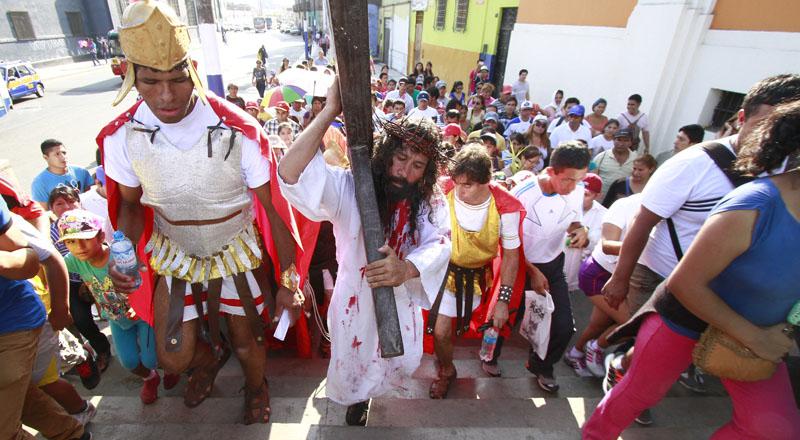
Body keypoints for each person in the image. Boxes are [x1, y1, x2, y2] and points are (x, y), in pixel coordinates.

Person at [100, 0, 310, 424]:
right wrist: (120, 250)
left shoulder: (239, 130)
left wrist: (289, 278)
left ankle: (256, 387)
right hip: (173, 251)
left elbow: (274, 211)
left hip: (235, 247)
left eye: (177, 79)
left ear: (191, 68)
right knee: (172, 358)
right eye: (151, 81)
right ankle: (209, 359)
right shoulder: (122, 137)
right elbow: (127, 203)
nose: (166, 95)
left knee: (248, 342)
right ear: (130, 76)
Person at [584, 98, 800, 440]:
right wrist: (620, 277)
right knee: (642, 393)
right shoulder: (754, 201)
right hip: (683, 312)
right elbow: (652, 233)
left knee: (775, 428)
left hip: (756, 332)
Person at [278, 78, 451, 425]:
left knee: (394, 362)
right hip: (352, 299)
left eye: (418, 165)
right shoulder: (349, 187)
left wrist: (407, 269)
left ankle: (371, 395)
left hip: (400, 303)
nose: (405, 171)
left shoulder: (428, 200)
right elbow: (290, 173)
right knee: (353, 364)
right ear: (386, 155)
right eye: (401, 158)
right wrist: (329, 111)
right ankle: (357, 401)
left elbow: (441, 243)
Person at [487, 142, 591, 387]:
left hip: (553, 265)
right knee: (505, 319)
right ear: (552, 171)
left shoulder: (576, 190)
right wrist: (531, 271)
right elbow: (507, 243)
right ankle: (490, 356)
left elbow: (575, 222)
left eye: (579, 180)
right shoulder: (523, 194)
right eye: (568, 180)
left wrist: (582, 231)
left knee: (564, 325)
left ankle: (541, 365)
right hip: (518, 266)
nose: (574, 186)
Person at [427, 145, 524, 399]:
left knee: (447, 331)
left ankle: (447, 364)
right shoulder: (443, 187)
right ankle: (447, 370)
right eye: (457, 182)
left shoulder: (505, 206)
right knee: (440, 331)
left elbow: (512, 255)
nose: (459, 190)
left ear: (486, 183)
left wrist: (503, 300)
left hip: (475, 279)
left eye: (467, 185)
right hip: (440, 271)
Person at [60, 209, 178, 404]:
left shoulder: (121, 256)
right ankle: (150, 378)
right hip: (116, 319)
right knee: (129, 362)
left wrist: (138, 303)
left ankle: (170, 369)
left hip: (141, 316)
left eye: (86, 238)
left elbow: (146, 278)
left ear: (100, 236)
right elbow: (50, 263)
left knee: (152, 359)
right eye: (70, 242)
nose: (79, 246)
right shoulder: (73, 261)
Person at [0, 197, 89, 440]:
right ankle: (72, 433)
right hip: (36, 322)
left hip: (21, 324)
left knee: (46, 382)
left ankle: (80, 409)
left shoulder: (14, 225)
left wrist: (60, 309)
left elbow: (42, 257)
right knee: (22, 395)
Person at [570, 192, 643, 379]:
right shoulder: (625, 205)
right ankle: (596, 348)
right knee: (632, 323)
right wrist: (646, 246)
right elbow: (607, 246)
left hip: (619, 276)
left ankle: (575, 353)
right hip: (597, 274)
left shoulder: (666, 214)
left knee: (599, 324)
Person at [48, 186, 110, 381]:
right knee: (81, 319)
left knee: (114, 311)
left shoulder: (90, 221)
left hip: (98, 276)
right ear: (51, 208)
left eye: (71, 201)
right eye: (59, 203)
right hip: (73, 282)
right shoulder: (51, 231)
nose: (66, 206)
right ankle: (102, 350)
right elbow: (55, 264)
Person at [562, 173, 607, 295]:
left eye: (586, 195)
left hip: (577, 276)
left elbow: (602, 248)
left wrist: (586, 242)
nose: (580, 198)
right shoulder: (562, 204)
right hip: (553, 271)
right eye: (578, 193)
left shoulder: (604, 216)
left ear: (597, 196)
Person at [31, 139, 94, 209]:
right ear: (46, 157)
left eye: (64, 153)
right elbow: (44, 211)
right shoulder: (40, 183)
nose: (63, 157)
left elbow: (93, 196)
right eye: (57, 154)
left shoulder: (81, 171)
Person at [593, 128, 637, 197]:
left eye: (626, 140)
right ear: (613, 140)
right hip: (600, 200)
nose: (621, 144)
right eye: (619, 140)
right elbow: (592, 176)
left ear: (631, 142)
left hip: (622, 201)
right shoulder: (601, 157)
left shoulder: (636, 159)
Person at [79, 166, 114, 241]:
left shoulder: (128, 195)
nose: (117, 188)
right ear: (98, 183)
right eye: (111, 185)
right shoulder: (82, 201)